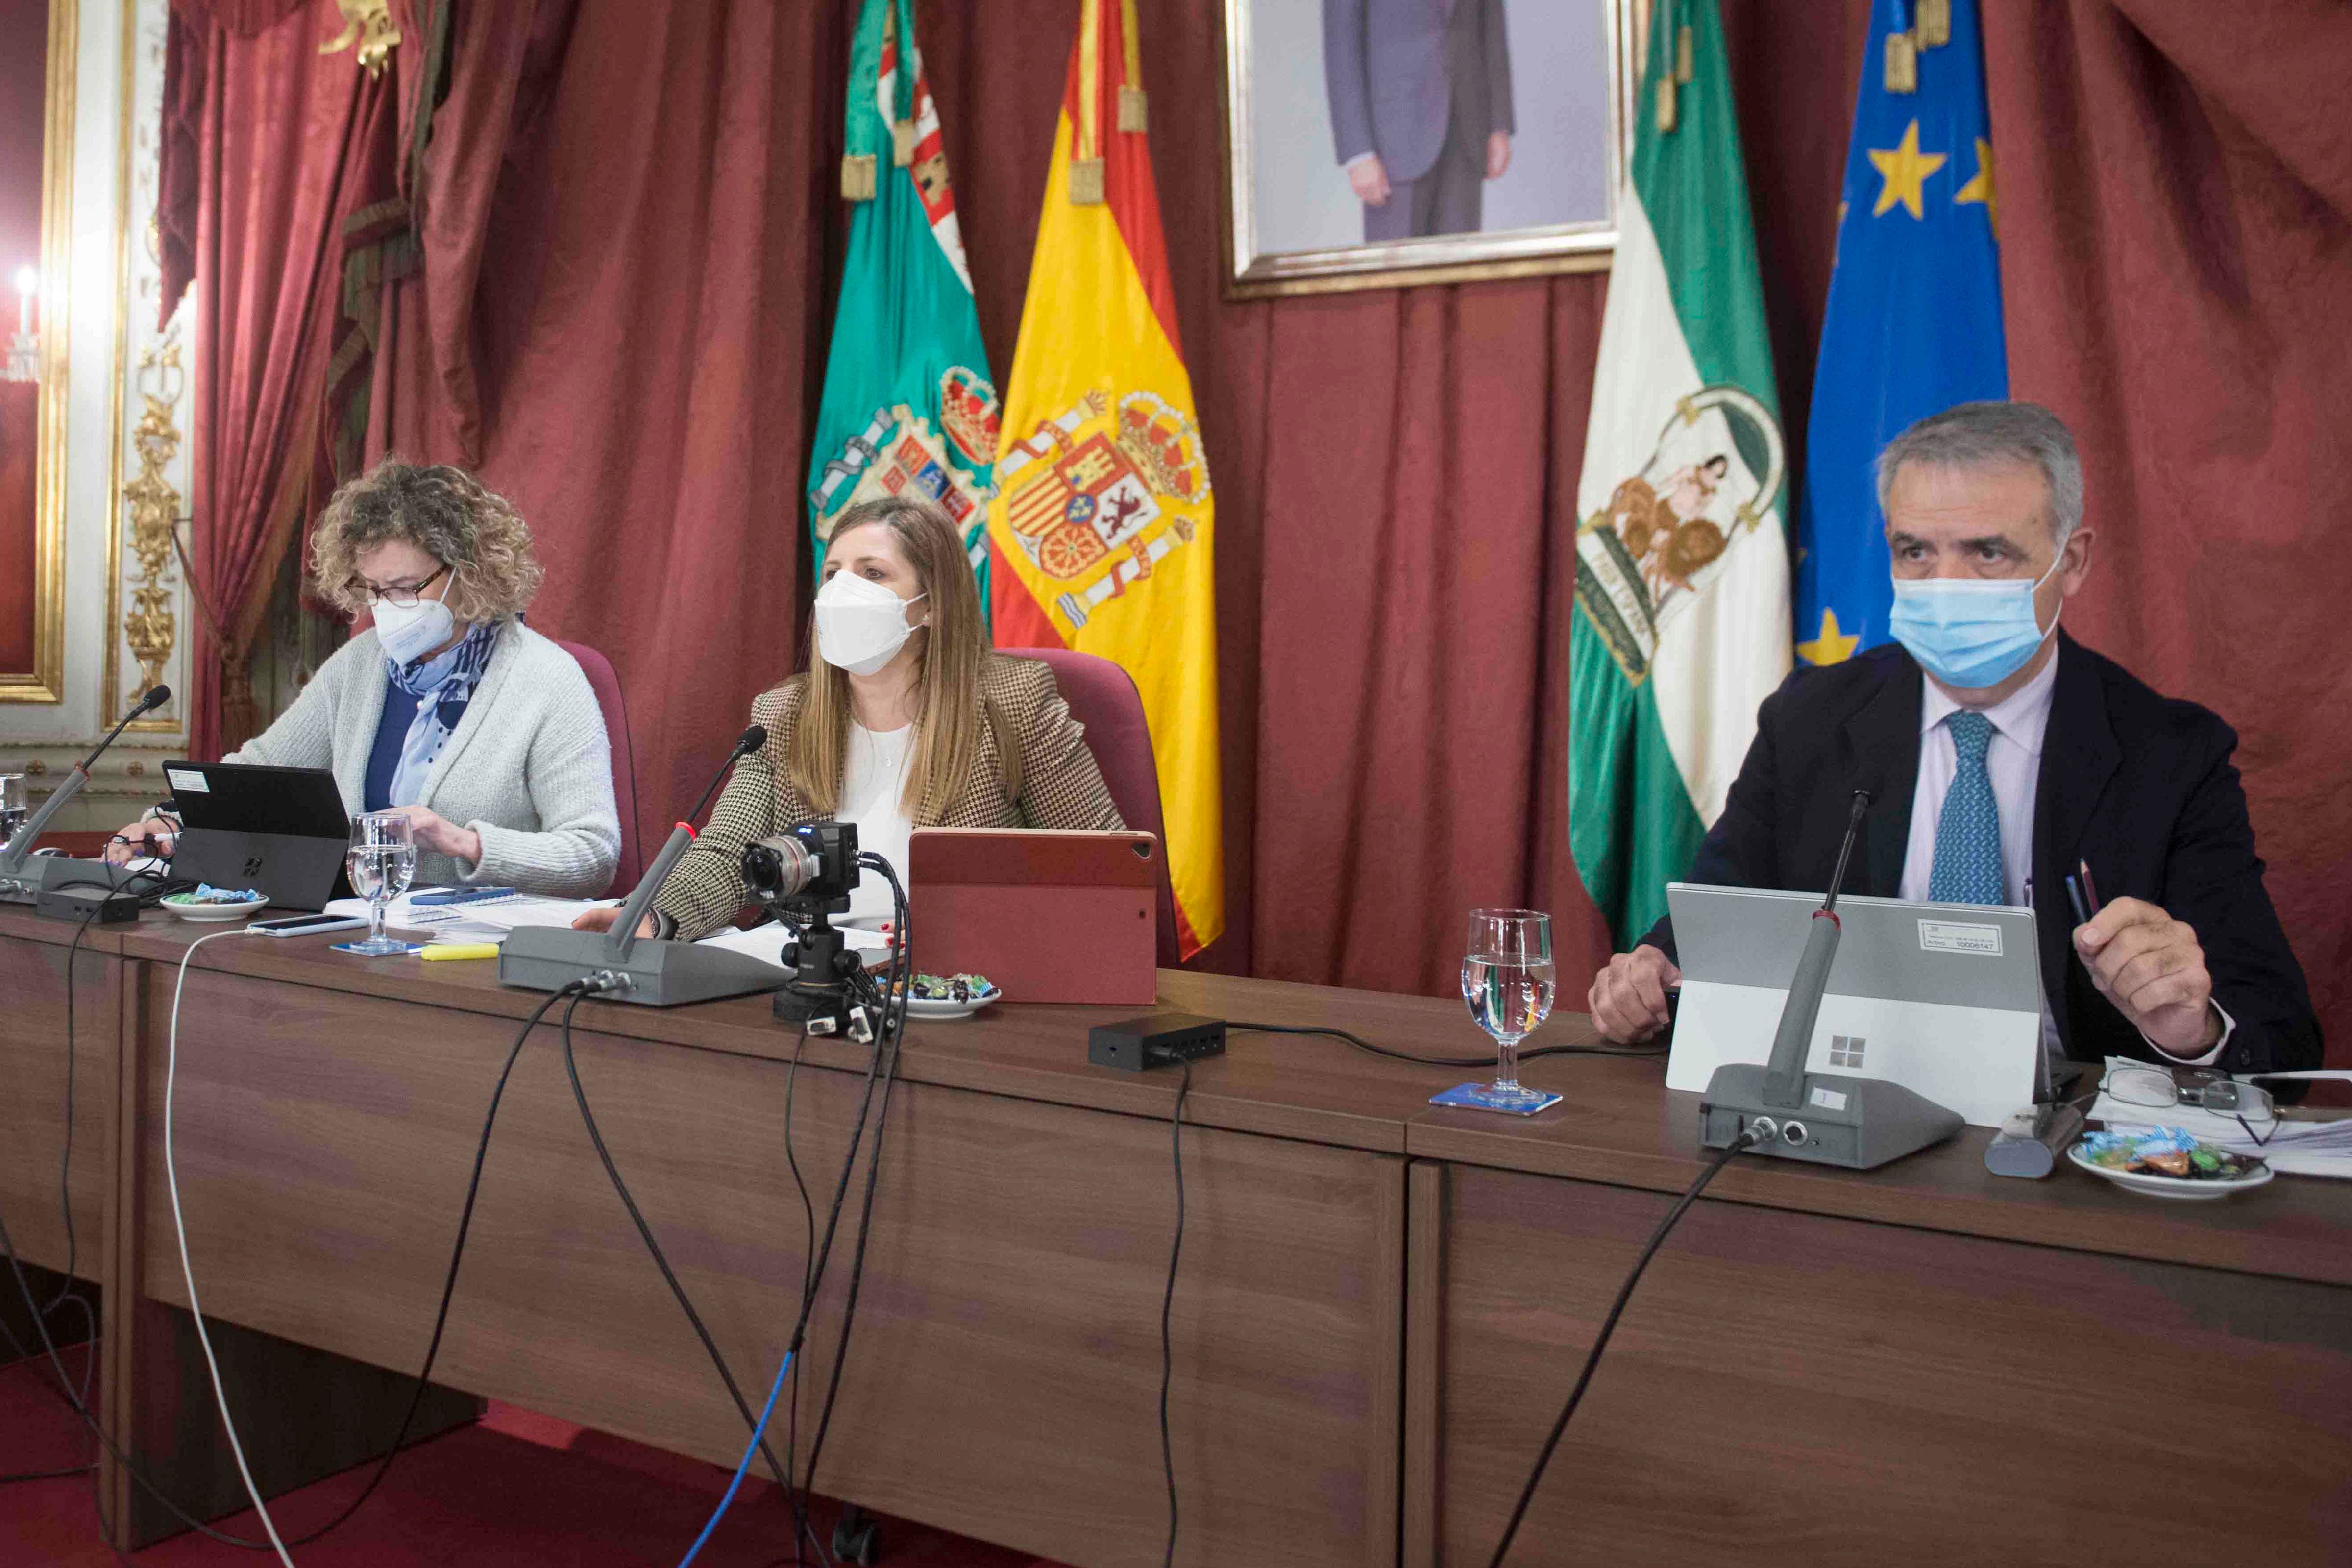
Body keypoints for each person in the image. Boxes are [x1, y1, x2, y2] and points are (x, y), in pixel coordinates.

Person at [1585, 401, 2321, 1076]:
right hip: (1848, 1099)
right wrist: (1649, 974)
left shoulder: (2173, 754)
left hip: (2068, 1140)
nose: (1946, 584)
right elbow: (1714, 925)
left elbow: (2278, 1038)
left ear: (2073, 561)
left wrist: (2189, 1026)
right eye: (1916, 553)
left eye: (1988, 553)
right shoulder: (1810, 719)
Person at [574, 493, 1124, 943]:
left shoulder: (1012, 704)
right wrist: (656, 916)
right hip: (812, 972)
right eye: (833, 572)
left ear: (932, 604)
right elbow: (726, 854)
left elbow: (1103, 869)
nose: (843, 591)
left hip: (959, 983)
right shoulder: (784, 714)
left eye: (873, 573)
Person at [111, 460, 620, 898]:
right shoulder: (361, 664)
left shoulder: (548, 680)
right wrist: (171, 821)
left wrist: (463, 841)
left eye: (403, 588)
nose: (385, 610)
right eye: (373, 590)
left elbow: (593, 853)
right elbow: (262, 769)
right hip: (363, 935)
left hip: (483, 964)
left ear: (469, 572)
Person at [1323, 0, 1514, 243]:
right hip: (1393, 139)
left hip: (1466, 126)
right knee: (1397, 275)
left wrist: (1499, 125)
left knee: (1460, 268)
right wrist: (1358, 152)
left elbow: (1492, 26)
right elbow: (1341, 44)